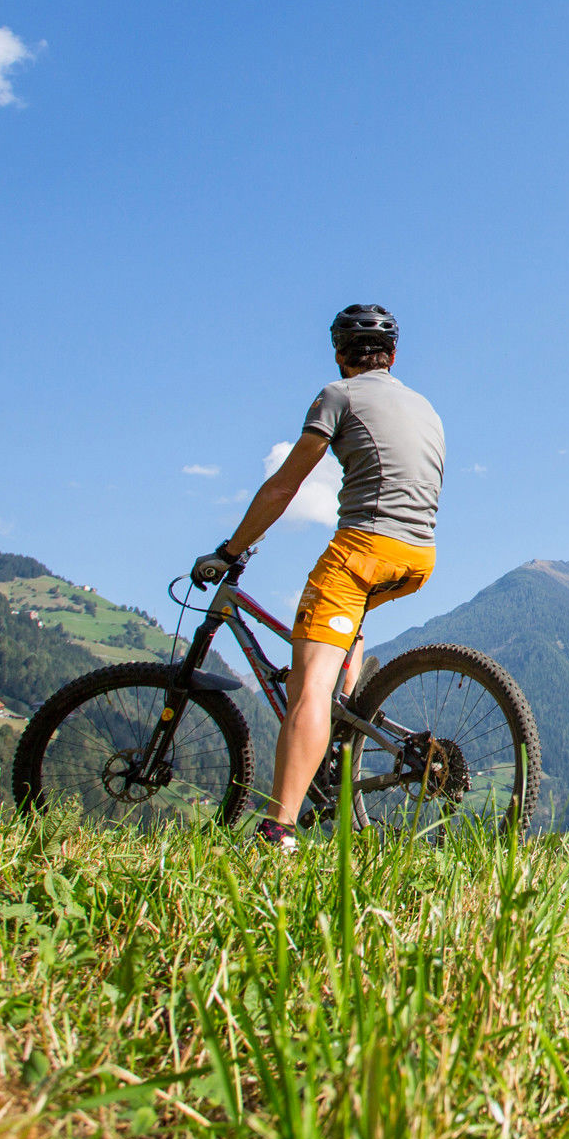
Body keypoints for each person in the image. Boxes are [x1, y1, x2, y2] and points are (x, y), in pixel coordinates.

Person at [194, 304, 446, 849]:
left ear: (338, 355)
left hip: (362, 550)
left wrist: (231, 549)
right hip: (417, 557)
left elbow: (285, 485)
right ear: (393, 357)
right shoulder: (425, 407)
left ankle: (276, 830)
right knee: (339, 637)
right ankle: (347, 711)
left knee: (307, 689)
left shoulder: (339, 395)